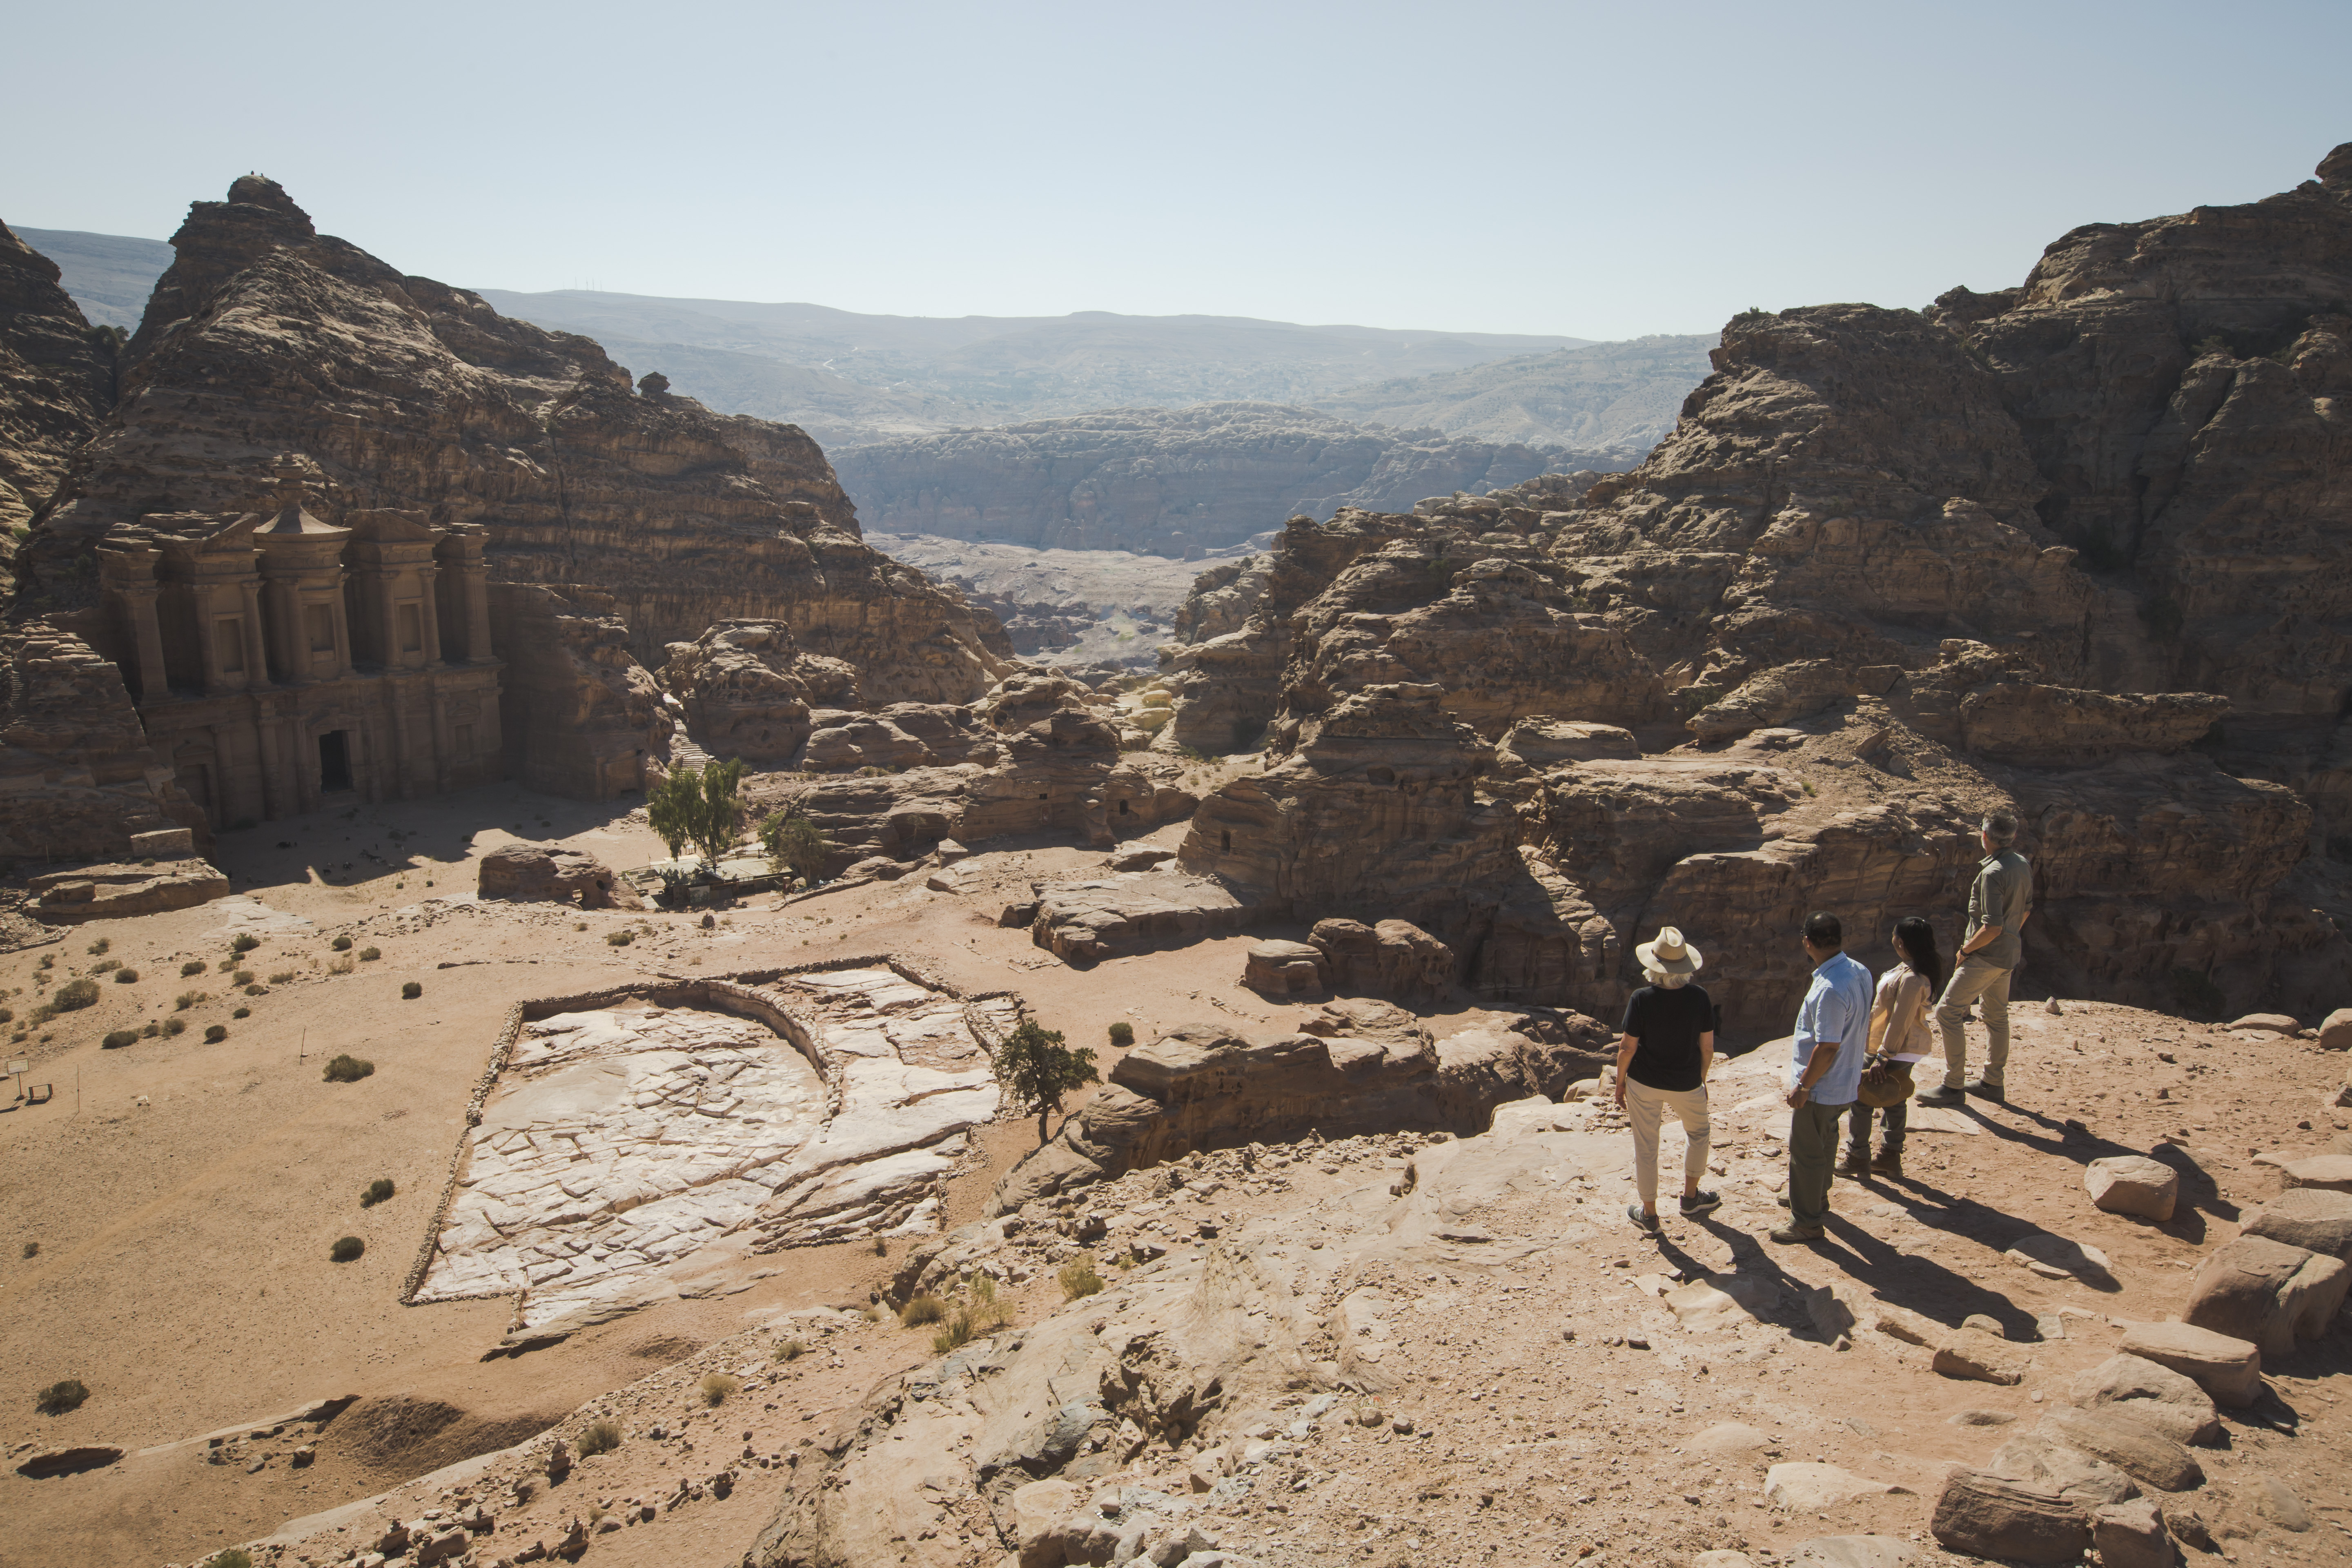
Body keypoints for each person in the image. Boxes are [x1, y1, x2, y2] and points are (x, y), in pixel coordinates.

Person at [1918, 811, 2032, 1107]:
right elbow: (2025, 911)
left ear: (1984, 836)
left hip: (1986, 956)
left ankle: (1953, 1086)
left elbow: (1991, 926)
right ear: (2014, 837)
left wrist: (1967, 950)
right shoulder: (2021, 865)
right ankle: (1992, 1083)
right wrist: (2008, 937)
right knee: (1996, 1016)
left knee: (1947, 1012)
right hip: (2009, 953)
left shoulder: (1992, 873)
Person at [1774, 911, 1871, 1244]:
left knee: (1807, 1152)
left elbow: (1828, 1047)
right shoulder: (1859, 971)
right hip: (1845, 1081)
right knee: (1826, 1142)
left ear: (1807, 942)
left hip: (1822, 1086)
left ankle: (1806, 1222)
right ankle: (1815, 1198)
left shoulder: (1830, 988)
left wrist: (1804, 1086)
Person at [1614, 926, 1719, 1232]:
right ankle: (1690, 1198)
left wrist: (1620, 1083)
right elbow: (1708, 1048)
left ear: (1653, 965)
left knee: (1646, 1146)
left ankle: (1649, 1215)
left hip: (1644, 1082)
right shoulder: (1700, 998)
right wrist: (1701, 1079)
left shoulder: (1641, 999)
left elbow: (1627, 1047)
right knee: (1699, 1133)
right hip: (1687, 1082)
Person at [1844, 915, 1943, 1180]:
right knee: (1895, 1098)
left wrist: (1882, 1057)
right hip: (1900, 1047)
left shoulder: (1912, 978)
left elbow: (1900, 1020)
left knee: (1862, 1098)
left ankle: (1858, 1156)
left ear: (1900, 941)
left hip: (1894, 1048)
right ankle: (1889, 1157)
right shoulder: (1911, 969)